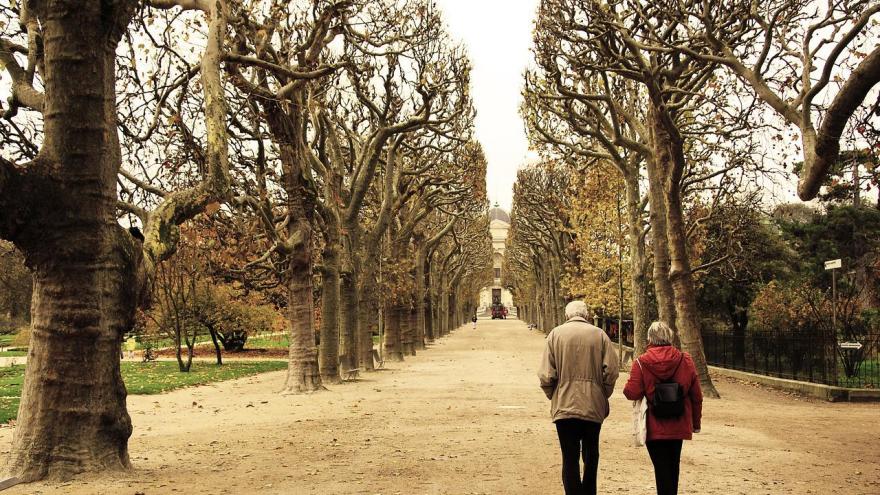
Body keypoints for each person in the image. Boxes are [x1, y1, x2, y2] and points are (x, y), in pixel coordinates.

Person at [538, 300, 619, 495]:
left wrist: (555, 395)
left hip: (564, 405)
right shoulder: (600, 336)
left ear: (567, 315)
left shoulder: (555, 335)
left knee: (569, 457)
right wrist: (602, 393)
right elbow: (612, 371)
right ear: (586, 315)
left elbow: (545, 375)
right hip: (593, 404)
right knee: (592, 454)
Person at [623, 321, 703, 495]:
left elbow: (632, 392)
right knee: (673, 467)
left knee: (661, 469)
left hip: (654, 425)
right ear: (670, 337)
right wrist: (695, 424)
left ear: (649, 339)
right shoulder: (685, 360)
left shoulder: (641, 363)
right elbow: (697, 395)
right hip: (678, 422)